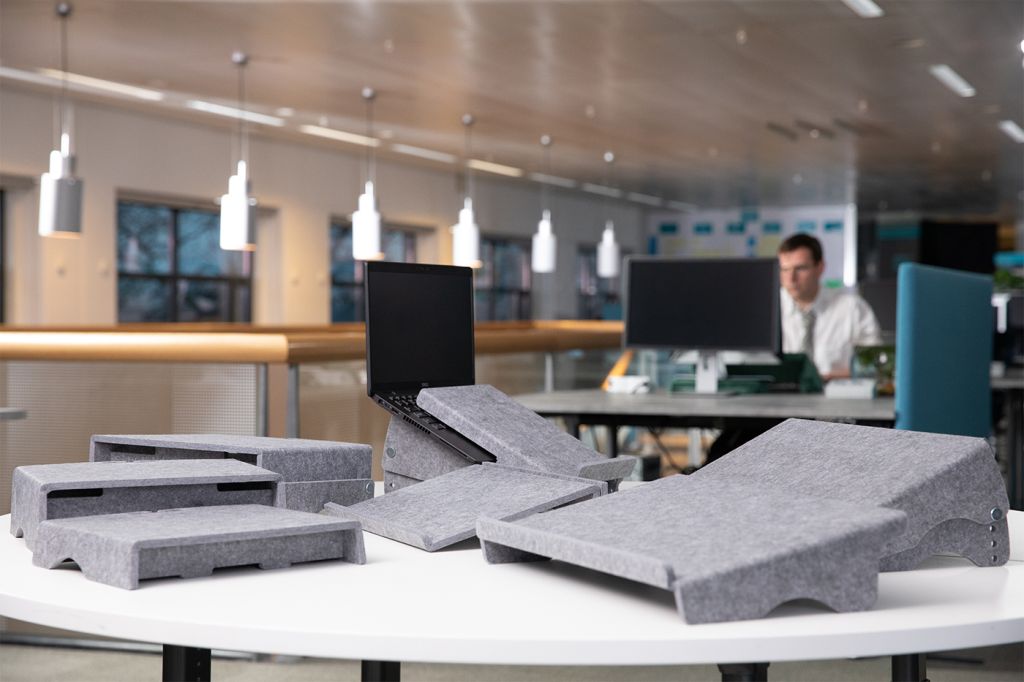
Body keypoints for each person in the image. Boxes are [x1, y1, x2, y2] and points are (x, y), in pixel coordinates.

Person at [778, 233, 880, 379]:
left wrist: (825, 378)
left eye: (800, 268)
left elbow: (874, 365)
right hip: (780, 391)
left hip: (838, 391)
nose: (791, 278)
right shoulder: (769, 311)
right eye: (784, 269)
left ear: (820, 268)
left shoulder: (852, 309)